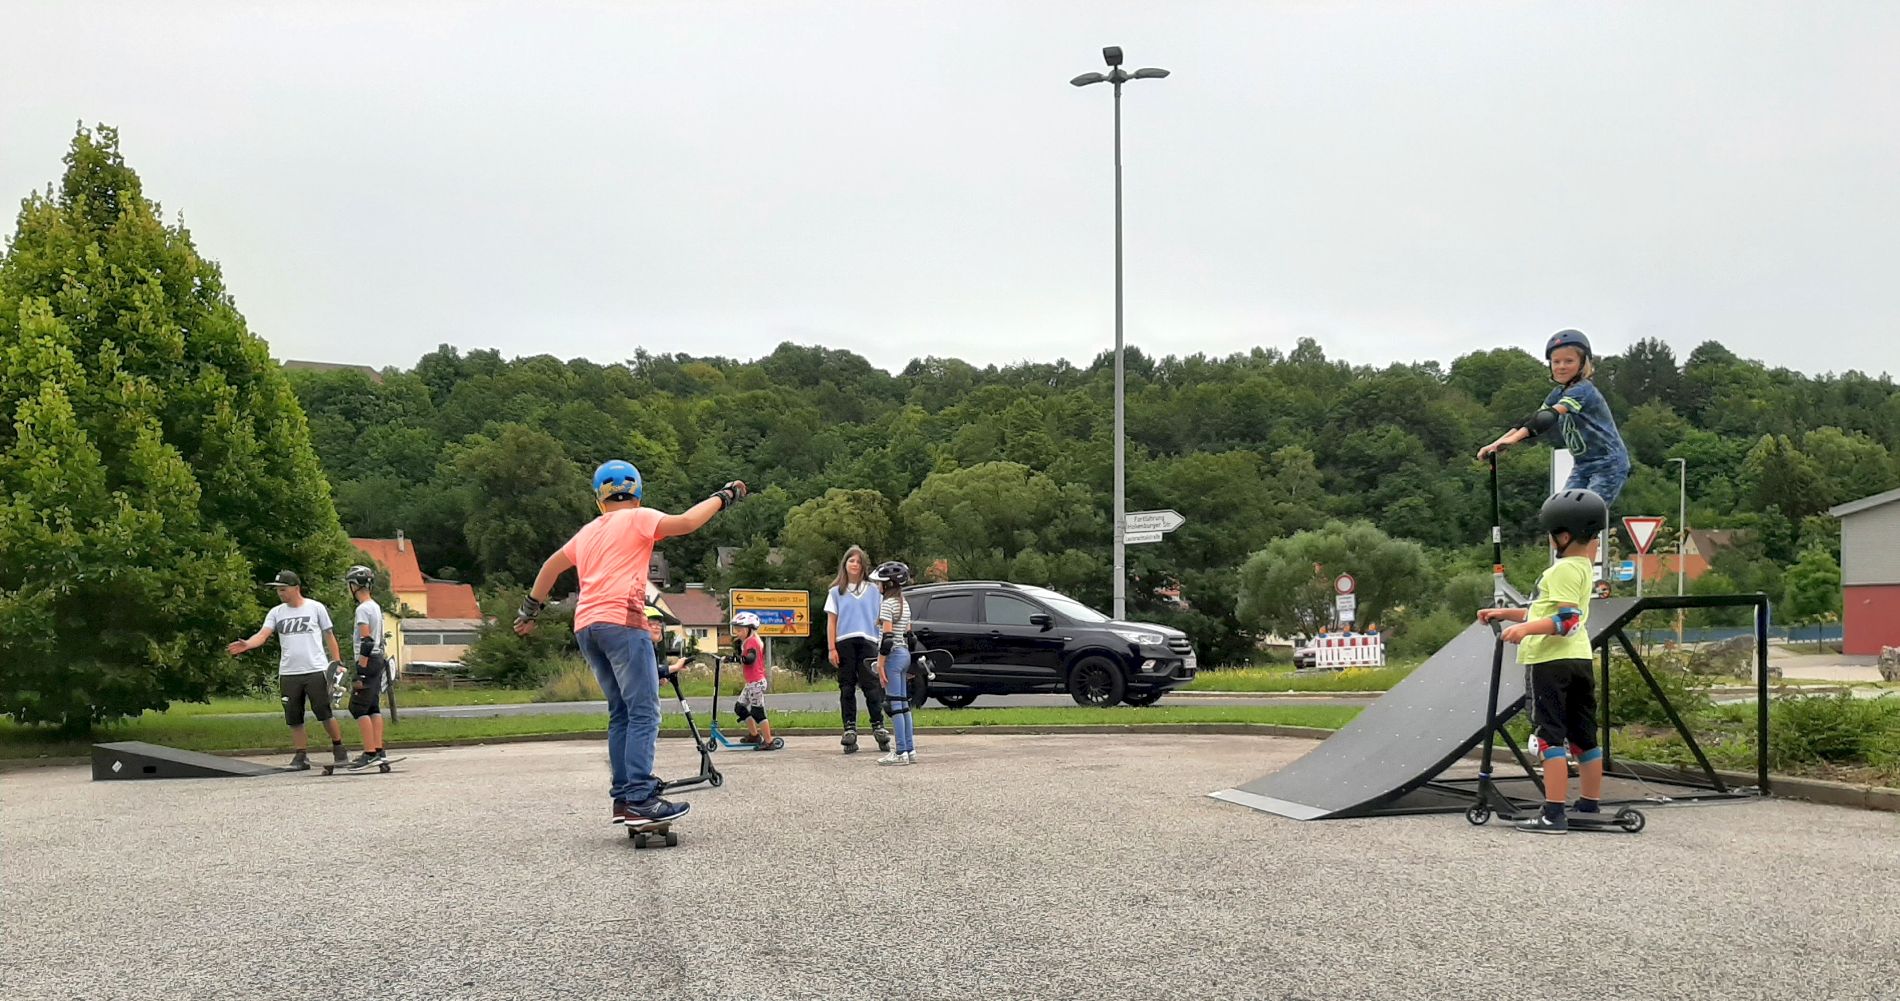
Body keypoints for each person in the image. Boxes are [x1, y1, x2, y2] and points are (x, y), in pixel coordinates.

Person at [514, 459, 746, 829]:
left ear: (599, 500)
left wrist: (530, 610)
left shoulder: (587, 532)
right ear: (637, 495)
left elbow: (550, 567)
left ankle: (625, 795)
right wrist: (725, 496)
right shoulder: (637, 518)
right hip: (622, 621)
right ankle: (639, 797)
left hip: (587, 626)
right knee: (643, 711)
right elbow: (686, 522)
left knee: (620, 712)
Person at [1477, 489, 1608, 834]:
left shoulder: (1561, 570)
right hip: (1578, 659)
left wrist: (1525, 630)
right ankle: (1590, 804)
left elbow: (1565, 622)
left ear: (1563, 536)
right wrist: (1506, 613)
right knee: (1584, 737)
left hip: (1549, 662)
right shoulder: (1583, 569)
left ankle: (1553, 813)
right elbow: (1548, 611)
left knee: (1549, 737)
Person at [1477, 329, 1631, 507]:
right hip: (1582, 465)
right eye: (1556, 362)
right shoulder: (1557, 393)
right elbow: (1531, 420)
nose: (1561, 366)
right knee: (1558, 516)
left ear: (1583, 363)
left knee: (1584, 516)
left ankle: (1589, 535)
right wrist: (1496, 444)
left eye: (1569, 361)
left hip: (1608, 464)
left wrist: (1513, 441)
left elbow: (1547, 417)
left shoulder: (1583, 390)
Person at [226, 570, 348, 770]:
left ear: (296, 588)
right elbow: (263, 634)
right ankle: (301, 756)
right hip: (289, 672)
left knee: (323, 712)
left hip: (315, 669)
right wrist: (248, 644)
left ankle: (339, 748)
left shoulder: (315, 608)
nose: (280, 594)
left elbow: (329, 636)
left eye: (283, 589)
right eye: (278, 591)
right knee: (293, 716)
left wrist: (336, 663)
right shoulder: (276, 612)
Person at [825, 545, 889, 755]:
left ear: (863, 566)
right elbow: (832, 621)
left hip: (868, 640)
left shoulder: (873, 590)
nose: (854, 564)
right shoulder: (836, 592)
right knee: (847, 687)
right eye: (851, 561)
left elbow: (882, 619)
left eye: (858, 561)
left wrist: (883, 647)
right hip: (844, 641)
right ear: (845, 564)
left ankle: (878, 725)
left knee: (871, 686)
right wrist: (831, 647)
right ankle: (849, 728)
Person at [343, 565, 391, 769]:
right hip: (378, 659)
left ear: (355, 585)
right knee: (373, 707)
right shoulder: (375, 606)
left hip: (368, 660)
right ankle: (379, 750)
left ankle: (369, 753)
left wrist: (360, 670)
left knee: (357, 707)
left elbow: (367, 641)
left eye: (349, 585)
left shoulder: (362, 609)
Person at [870, 561, 918, 765]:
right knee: (904, 704)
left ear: (888, 584)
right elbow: (910, 636)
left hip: (893, 656)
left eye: (879, 583)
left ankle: (899, 753)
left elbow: (887, 638)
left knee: (895, 705)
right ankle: (909, 749)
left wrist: (880, 664)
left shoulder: (888, 605)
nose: (877, 586)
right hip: (904, 654)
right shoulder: (903, 603)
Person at [729, 611, 777, 748]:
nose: (737, 633)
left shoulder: (752, 642)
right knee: (740, 708)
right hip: (751, 682)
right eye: (736, 630)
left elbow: (750, 658)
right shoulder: (747, 641)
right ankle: (754, 736)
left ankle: (768, 742)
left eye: (739, 630)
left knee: (757, 712)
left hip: (756, 682)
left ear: (749, 629)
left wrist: (737, 659)